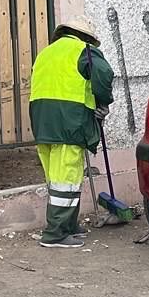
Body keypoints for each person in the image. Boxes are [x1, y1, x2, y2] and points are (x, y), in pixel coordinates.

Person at [29, 17, 114, 249]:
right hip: (69, 119)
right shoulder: (84, 51)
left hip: (42, 120)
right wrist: (103, 101)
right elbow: (104, 74)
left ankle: (68, 225)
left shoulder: (46, 53)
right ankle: (55, 235)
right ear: (87, 37)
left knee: (56, 178)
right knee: (66, 178)